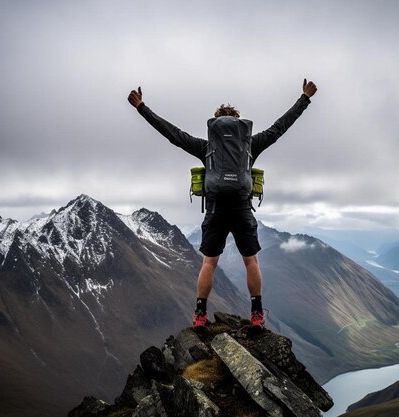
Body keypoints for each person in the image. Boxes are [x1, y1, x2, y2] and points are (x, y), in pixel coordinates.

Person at [127, 79, 317, 329]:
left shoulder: (207, 148)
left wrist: (142, 107)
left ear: (215, 126)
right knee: (251, 261)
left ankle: (199, 315)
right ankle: (257, 314)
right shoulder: (250, 145)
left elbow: (172, 134)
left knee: (209, 262)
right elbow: (279, 128)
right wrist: (304, 98)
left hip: (216, 208)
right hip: (241, 207)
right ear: (240, 126)